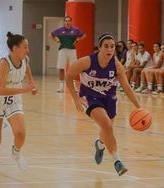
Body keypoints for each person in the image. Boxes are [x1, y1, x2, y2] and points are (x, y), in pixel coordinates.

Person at [65, 33, 141, 176]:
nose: (109, 49)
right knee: (107, 125)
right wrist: (75, 98)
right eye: (106, 46)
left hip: (109, 98)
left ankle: (100, 145)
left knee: (107, 128)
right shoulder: (86, 61)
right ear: (99, 48)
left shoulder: (117, 65)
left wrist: (139, 107)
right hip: (90, 97)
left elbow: (127, 87)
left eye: (112, 47)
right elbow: (68, 76)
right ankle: (117, 161)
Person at [0, 32, 38, 179]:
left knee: (21, 132)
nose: (28, 50)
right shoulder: (4, 63)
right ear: (15, 48)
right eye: (25, 47)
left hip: (13, 100)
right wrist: (24, 89)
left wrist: (31, 84)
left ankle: (16, 153)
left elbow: (27, 70)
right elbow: (1, 90)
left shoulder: (25, 60)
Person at [49, 16, 86, 93]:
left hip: (72, 50)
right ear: (64, 22)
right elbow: (50, 35)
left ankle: (73, 86)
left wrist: (78, 40)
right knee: (61, 68)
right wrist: (57, 40)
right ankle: (61, 87)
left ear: (71, 22)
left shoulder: (75, 30)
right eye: (66, 21)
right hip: (62, 50)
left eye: (69, 21)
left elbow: (84, 35)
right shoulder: (60, 30)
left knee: (73, 68)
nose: (67, 22)